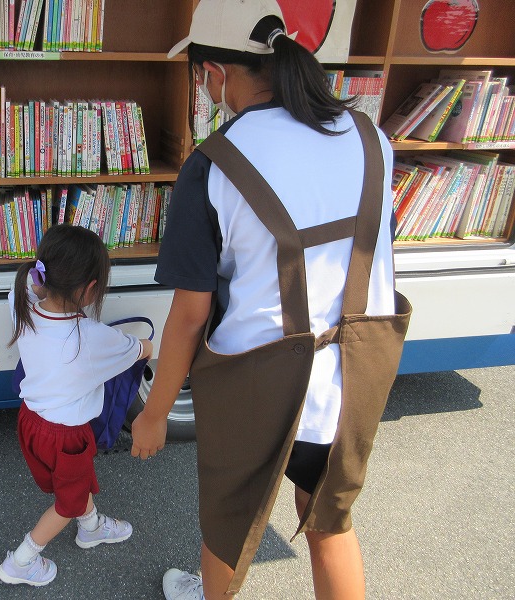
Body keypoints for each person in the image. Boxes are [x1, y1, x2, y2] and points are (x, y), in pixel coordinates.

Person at [131, 1, 409, 599]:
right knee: (329, 523)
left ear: (217, 72)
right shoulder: (370, 138)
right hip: (354, 373)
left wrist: (154, 414)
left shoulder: (212, 166)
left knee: (228, 529)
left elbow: (190, 315)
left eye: (200, 71)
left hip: (256, 376)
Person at [0, 224, 153, 587]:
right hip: (66, 436)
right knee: (66, 503)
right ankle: (22, 560)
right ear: (90, 289)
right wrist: (148, 343)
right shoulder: (94, 338)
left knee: (74, 484)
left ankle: (92, 527)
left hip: (31, 422)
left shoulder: (22, 303)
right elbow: (141, 349)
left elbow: (29, 285)